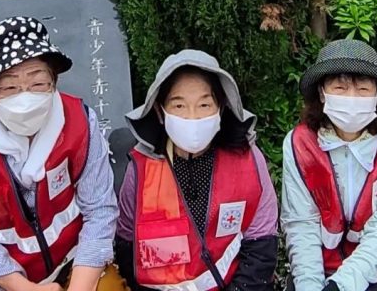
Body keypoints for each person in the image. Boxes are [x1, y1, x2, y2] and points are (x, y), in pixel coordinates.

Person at [0, 16, 121, 291]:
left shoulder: (82, 123)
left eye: (38, 83)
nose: (25, 96)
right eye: (10, 87)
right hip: (3, 281)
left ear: (54, 81)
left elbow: (99, 211)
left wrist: (80, 286)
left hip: (74, 266)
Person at [115, 50, 278, 291]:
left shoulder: (249, 160)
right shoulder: (140, 169)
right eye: (179, 105)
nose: (192, 117)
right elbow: (128, 246)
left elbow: (261, 242)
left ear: (220, 108)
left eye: (204, 104)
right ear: (160, 111)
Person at [280, 40, 377, 291]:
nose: (351, 97)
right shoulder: (300, 144)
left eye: (362, 89)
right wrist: (309, 285)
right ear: (322, 92)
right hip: (322, 263)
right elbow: (301, 223)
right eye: (340, 87)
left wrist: (341, 286)